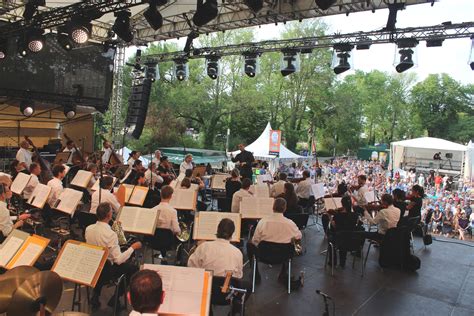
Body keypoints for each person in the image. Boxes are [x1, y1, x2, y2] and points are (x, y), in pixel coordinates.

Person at [86, 202, 141, 309]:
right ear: (109, 215)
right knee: (133, 269)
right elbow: (118, 260)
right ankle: (115, 298)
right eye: (112, 211)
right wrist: (132, 247)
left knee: (102, 262)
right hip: (107, 271)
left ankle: (95, 295)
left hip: (93, 266)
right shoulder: (111, 234)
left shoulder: (88, 229)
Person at [247, 198, 302, 285]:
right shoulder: (290, 223)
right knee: (291, 246)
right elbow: (298, 237)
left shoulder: (263, 221)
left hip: (263, 255)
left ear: (273, 207)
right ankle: (283, 273)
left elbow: (255, 240)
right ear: (285, 208)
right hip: (283, 256)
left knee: (249, 244)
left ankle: (255, 273)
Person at [150, 185, 181, 262]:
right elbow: (176, 230)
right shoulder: (173, 211)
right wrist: (178, 232)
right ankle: (178, 260)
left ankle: (163, 255)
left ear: (161, 195)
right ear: (170, 196)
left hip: (153, 241)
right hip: (168, 242)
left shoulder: (153, 210)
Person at [327, 196, 359, 268]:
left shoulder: (338, 215)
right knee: (344, 235)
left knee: (331, 238)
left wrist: (329, 217)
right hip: (352, 239)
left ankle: (333, 261)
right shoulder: (355, 215)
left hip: (339, 239)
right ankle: (342, 262)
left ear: (342, 204)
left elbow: (334, 226)